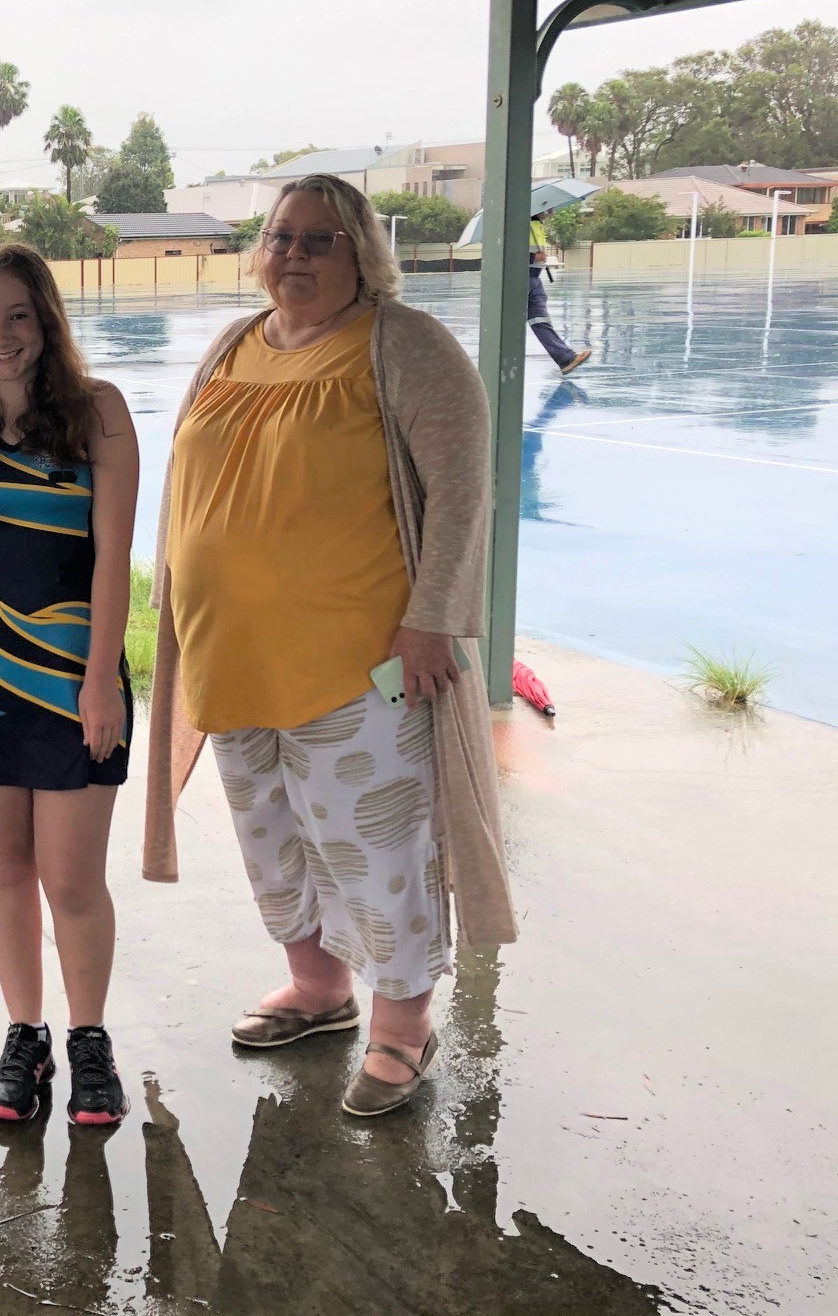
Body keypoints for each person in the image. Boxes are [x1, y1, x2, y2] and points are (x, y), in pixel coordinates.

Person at [142, 173, 517, 1118]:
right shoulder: (235, 343)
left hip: (360, 665)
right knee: (277, 843)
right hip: (235, 659)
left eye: (321, 239)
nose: (296, 255)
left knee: (377, 848)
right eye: (281, 237)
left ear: (364, 254)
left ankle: (403, 1027)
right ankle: (317, 992)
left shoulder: (405, 346)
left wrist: (434, 618)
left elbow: (467, 494)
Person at [0, 244, 139, 1128]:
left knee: (72, 879)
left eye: (17, 315)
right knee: (4, 869)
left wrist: (101, 682)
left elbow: (113, 561)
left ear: (46, 319)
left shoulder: (98, 416)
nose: (2, 335)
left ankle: (89, 1041)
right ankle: (24, 1035)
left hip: (73, 675)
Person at [529, 208, 590, 374]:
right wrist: (532, 257)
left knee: (540, 321)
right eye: (547, 209)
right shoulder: (520, 225)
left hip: (534, 279)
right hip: (520, 279)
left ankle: (566, 359)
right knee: (509, 326)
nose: (550, 212)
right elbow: (509, 250)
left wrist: (537, 258)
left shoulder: (535, 225)